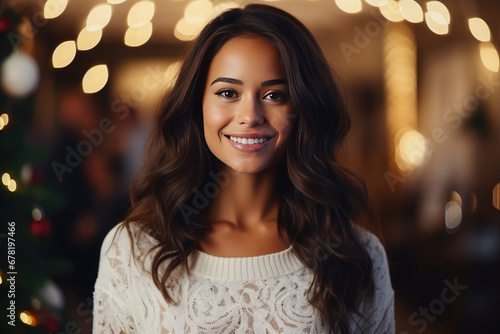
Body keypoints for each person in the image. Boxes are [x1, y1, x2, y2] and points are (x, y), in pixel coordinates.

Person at [93, 4, 394, 333]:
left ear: (304, 108)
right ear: (197, 106)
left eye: (275, 95)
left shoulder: (356, 254)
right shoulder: (133, 251)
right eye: (227, 93)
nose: (250, 115)